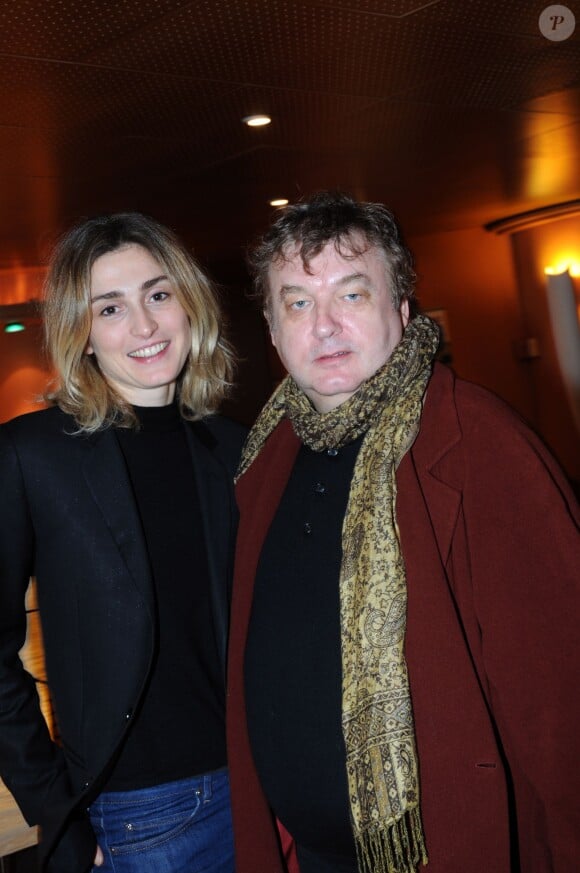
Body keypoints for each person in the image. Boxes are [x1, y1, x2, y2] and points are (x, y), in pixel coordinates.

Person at [226, 191, 580, 873]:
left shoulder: (479, 442)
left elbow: (560, 700)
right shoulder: (266, 456)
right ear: (272, 330)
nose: (323, 326)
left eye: (352, 295)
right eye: (298, 302)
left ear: (403, 310)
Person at [0, 213, 246, 873]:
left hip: (258, 786)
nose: (145, 326)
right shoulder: (34, 455)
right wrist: (57, 808)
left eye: (158, 295)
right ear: (81, 334)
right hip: (142, 812)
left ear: (189, 303)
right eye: (112, 307)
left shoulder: (232, 447)